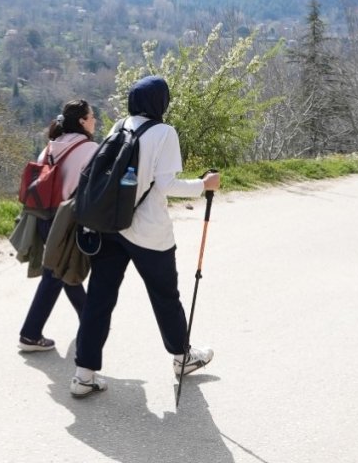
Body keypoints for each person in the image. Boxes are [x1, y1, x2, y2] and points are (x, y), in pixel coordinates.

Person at [71, 75, 220, 398]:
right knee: (165, 296)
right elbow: (166, 185)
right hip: (149, 232)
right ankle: (182, 358)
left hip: (111, 227)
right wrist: (203, 185)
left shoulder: (119, 126)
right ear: (159, 102)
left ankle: (84, 375)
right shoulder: (164, 133)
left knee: (99, 299)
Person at [16, 99, 95, 352]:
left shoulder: (50, 146)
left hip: (43, 217)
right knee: (56, 273)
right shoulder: (90, 148)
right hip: (67, 220)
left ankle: (89, 319)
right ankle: (30, 334)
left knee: (62, 268)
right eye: (92, 116)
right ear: (82, 121)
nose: (95, 120)